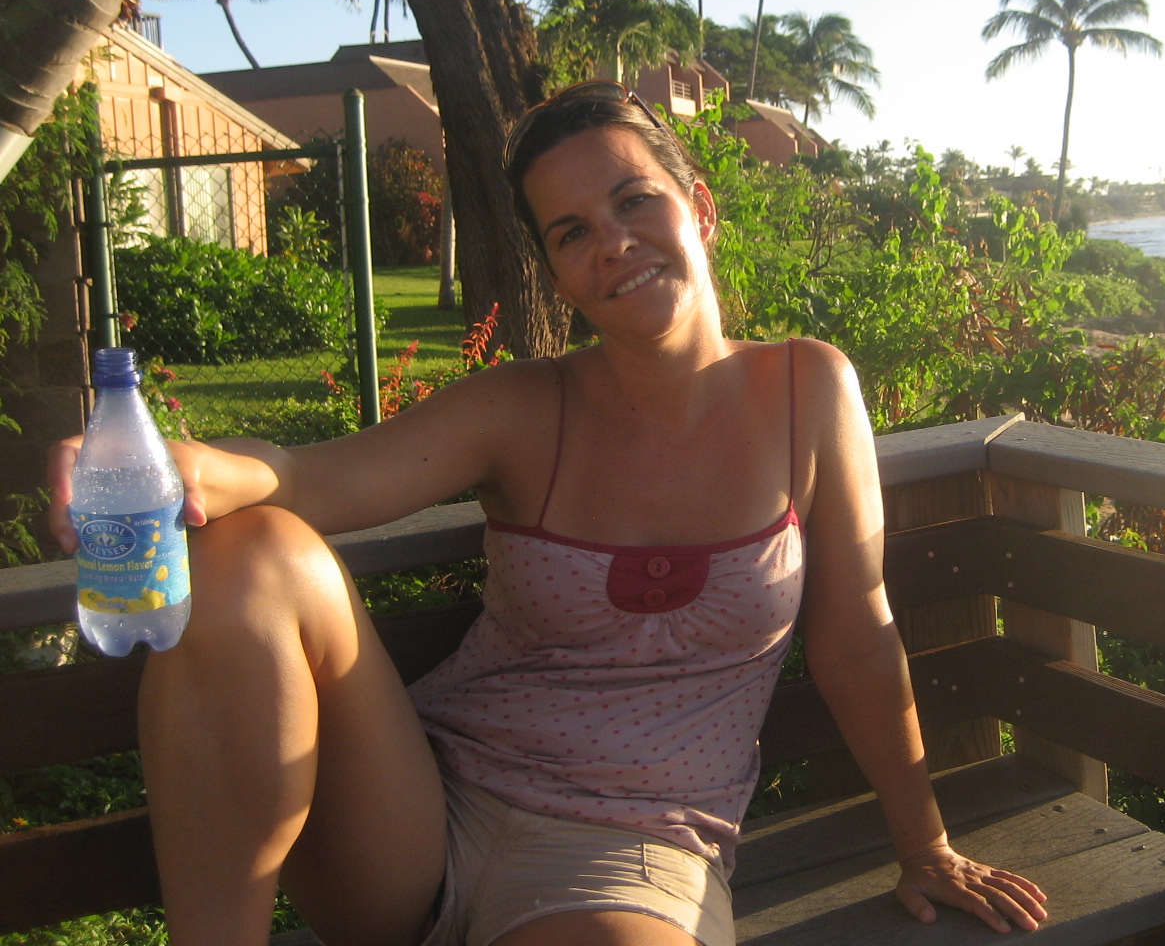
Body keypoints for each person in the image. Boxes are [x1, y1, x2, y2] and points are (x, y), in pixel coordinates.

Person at [49, 81, 1048, 946]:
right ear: (558, 273)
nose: (611, 243)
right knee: (251, 550)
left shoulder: (806, 391)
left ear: (698, 208)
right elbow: (306, 478)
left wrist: (925, 845)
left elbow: (857, 635)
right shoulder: (522, 409)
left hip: (635, 852)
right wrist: (175, 469)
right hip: (417, 818)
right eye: (571, 233)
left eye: (633, 200)